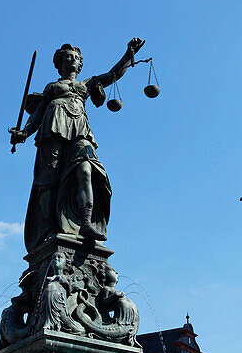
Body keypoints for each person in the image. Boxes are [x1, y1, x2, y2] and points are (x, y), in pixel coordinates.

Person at [9, 38, 145, 251]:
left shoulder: (86, 85)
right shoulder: (52, 87)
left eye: (76, 58)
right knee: (48, 181)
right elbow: (37, 114)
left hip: (80, 131)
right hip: (53, 129)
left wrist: (128, 55)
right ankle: (47, 229)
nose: (72, 60)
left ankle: (86, 222)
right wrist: (24, 132)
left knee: (87, 169)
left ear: (80, 64)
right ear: (60, 63)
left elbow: (113, 75)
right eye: (68, 57)